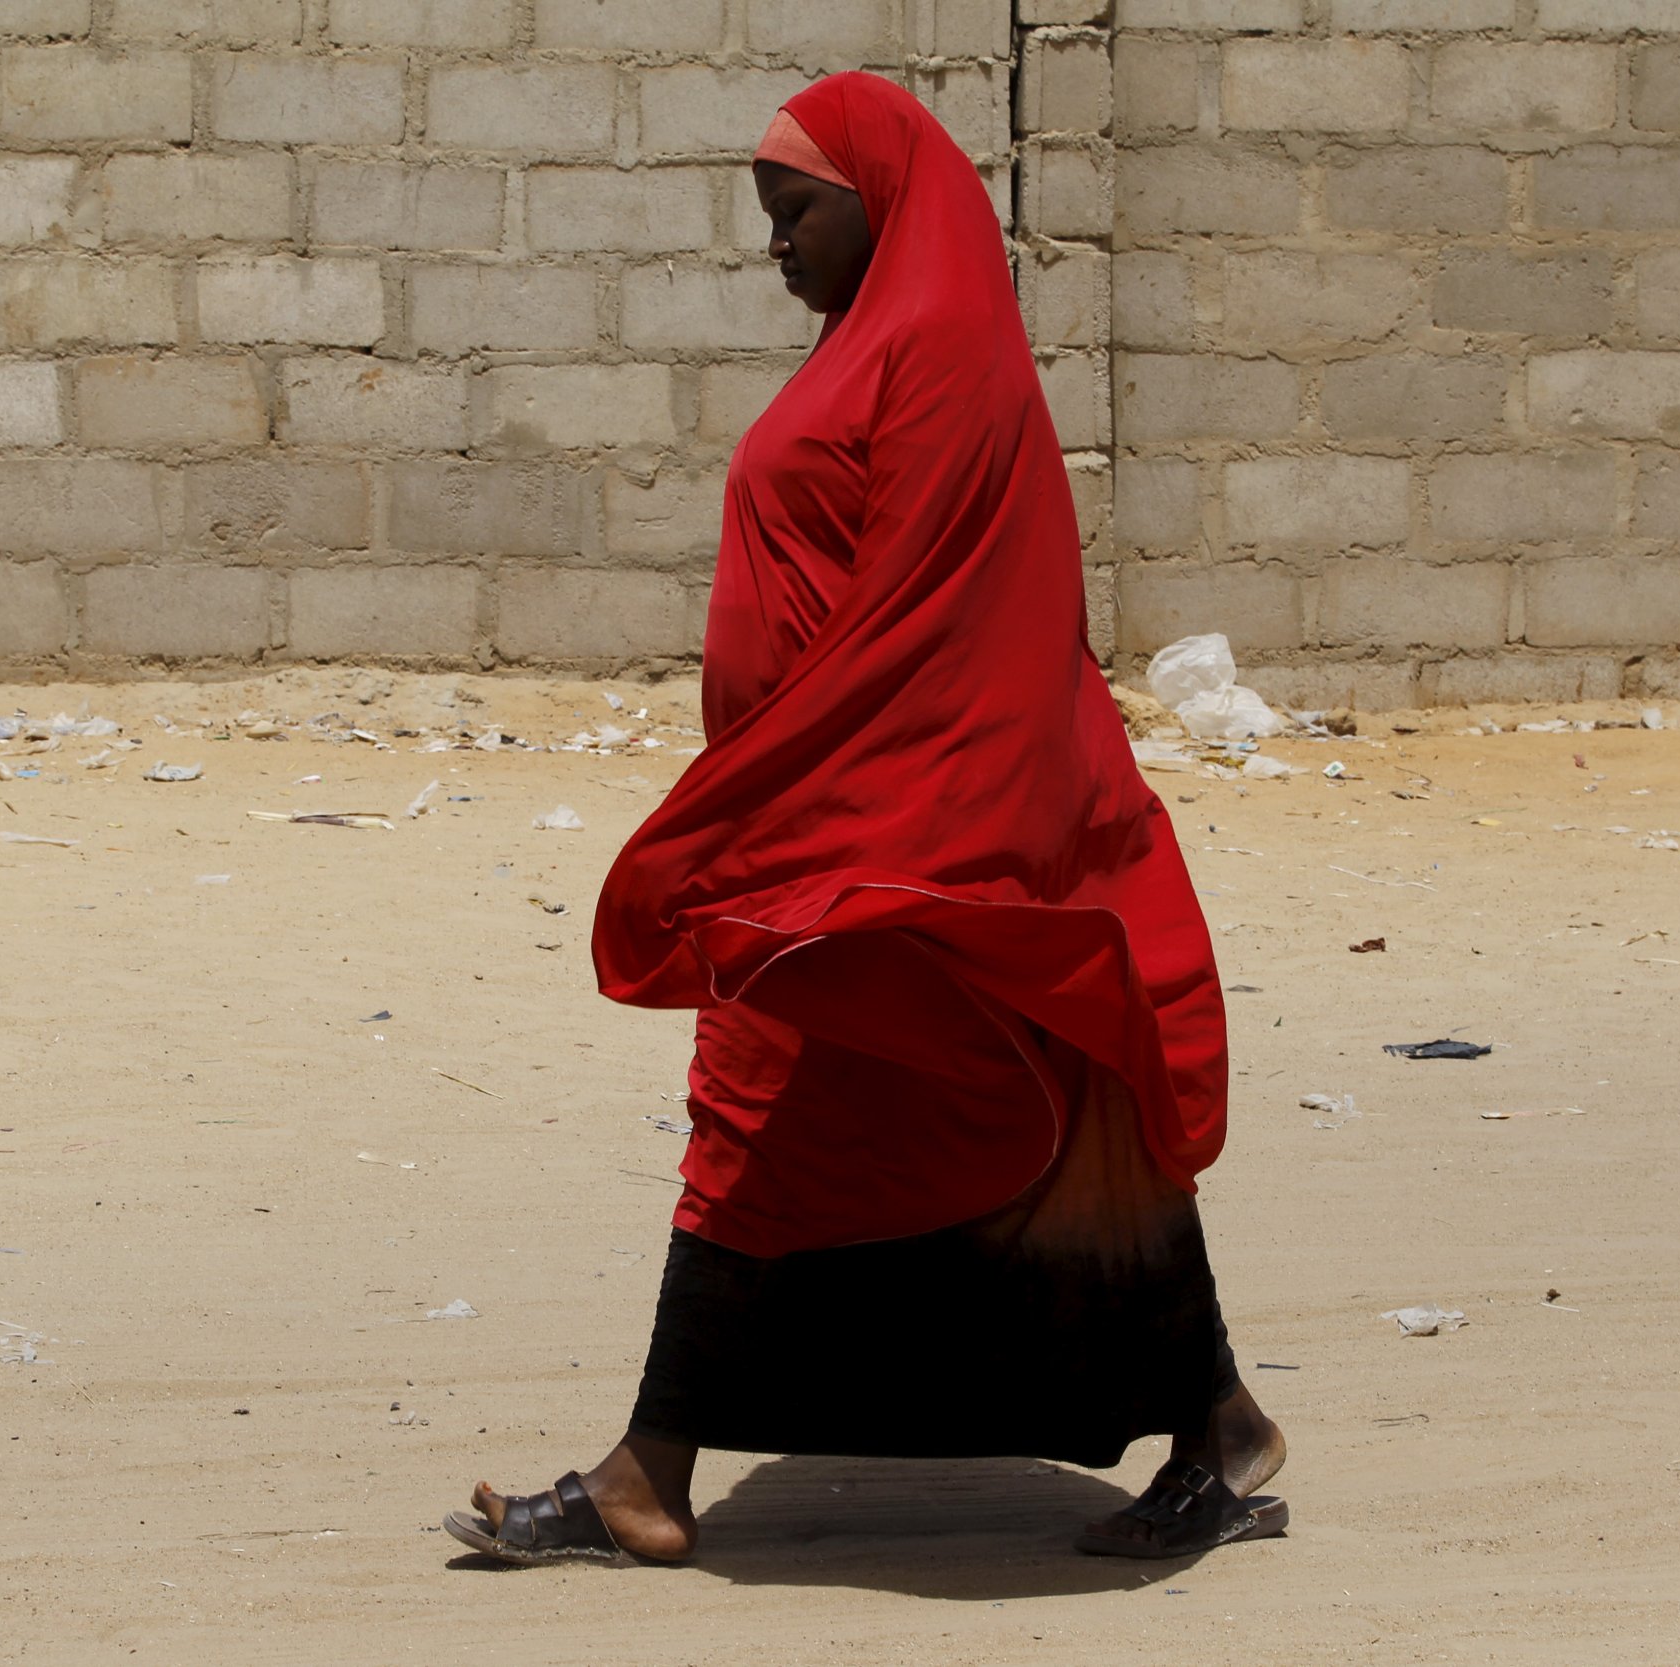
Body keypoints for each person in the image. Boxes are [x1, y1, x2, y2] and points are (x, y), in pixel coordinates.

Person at [444, 71, 1286, 1568]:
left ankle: (655, 1464)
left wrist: (800, 805)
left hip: (907, 808)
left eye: (792, 213)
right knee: (841, 1120)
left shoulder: (948, 351)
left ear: (879, 198)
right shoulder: (864, 353)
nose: (773, 245)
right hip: (839, 804)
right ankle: (1214, 1420)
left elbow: (948, 620)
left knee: (787, 1112)